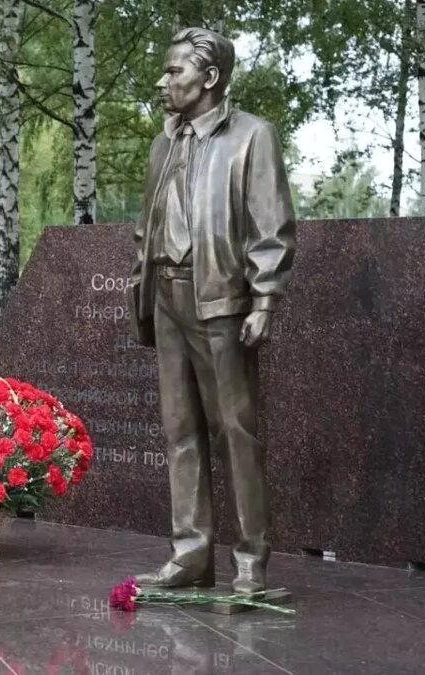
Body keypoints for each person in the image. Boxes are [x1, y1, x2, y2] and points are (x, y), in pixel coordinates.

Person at [128, 28, 296, 596]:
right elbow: (146, 225)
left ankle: (250, 560)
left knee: (235, 434)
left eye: (174, 71)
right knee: (179, 432)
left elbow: (271, 226)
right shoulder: (161, 143)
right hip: (167, 298)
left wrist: (265, 297)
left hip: (221, 301)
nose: (163, 81)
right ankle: (191, 555)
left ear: (210, 77)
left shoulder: (253, 137)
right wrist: (142, 286)